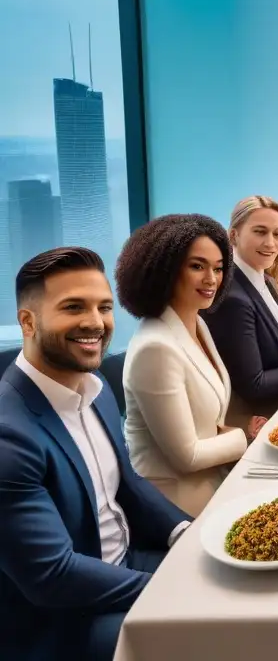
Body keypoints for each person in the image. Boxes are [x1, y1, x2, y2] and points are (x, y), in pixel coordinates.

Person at [0, 247, 191, 661]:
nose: (94, 322)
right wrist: (168, 585)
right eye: (73, 307)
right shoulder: (8, 436)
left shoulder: (95, 387)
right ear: (28, 321)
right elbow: (52, 576)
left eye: (104, 307)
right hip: (69, 620)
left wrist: (186, 535)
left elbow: (129, 483)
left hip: (129, 562)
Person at [118, 215, 256, 517]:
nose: (211, 279)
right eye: (197, 266)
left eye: (218, 268)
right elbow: (187, 457)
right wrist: (243, 437)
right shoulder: (155, 347)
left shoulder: (196, 323)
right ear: (164, 269)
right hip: (176, 504)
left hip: (214, 482)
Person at [204, 196, 278, 424]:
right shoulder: (232, 298)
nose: (271, 243)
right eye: (260, 232)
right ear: (234, 235)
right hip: (266, 420)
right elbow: (254, 385)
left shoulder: (265, 279)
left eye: (277, 234)